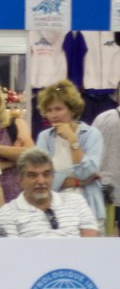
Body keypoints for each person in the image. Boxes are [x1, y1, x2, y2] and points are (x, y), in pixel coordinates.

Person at [35, 79, 106, 231]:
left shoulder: (91, 134)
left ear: (72, 109)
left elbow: (86, 171)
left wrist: (73, 140)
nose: (53, 115)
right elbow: (42, 178)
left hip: (88, 205)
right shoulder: (44, 137)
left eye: (58, 109)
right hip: (55, 207)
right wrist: (76, 181)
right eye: (49, 110)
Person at [0, 148, 99, 237]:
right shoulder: (7, 213)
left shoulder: (77, 202)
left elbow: (90, 245)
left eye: (46, 174)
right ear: (20, 180)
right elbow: (11, 254)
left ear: (53, 177)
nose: (41, 181)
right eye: (32, 175)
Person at [92, 87, 120, 235]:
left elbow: (88, 150)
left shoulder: (103, 118)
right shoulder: (104, 118)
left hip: (102, 189)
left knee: (104, 241)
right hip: (105, 190)